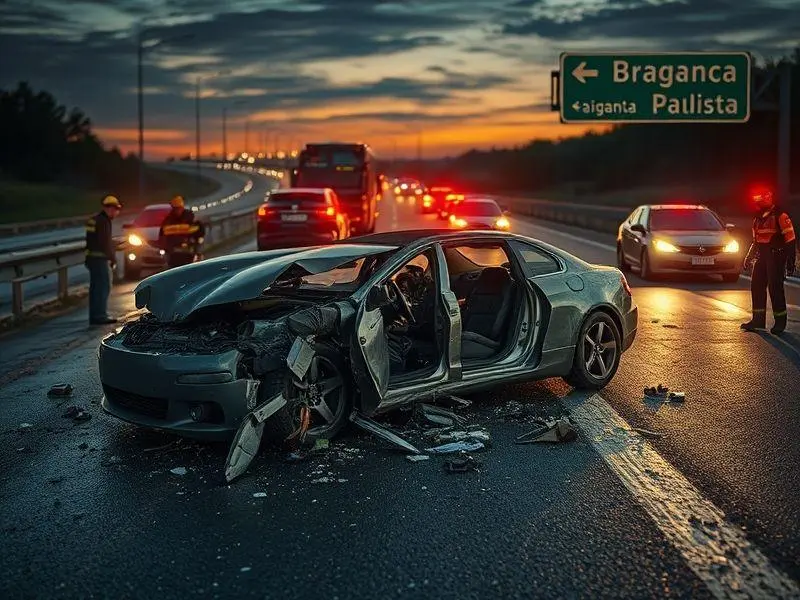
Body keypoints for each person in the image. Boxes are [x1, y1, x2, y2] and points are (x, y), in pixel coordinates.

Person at [741, 190, 796, 334]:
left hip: (776, 256)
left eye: (761, 200)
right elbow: (756, 242)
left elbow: (790, 240)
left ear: (768, 199)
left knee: (775, 288)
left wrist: (791, 261)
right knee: (756, 286)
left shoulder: (780, 216)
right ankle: (758, 321)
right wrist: (748, 257)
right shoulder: (757, 219)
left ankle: (780, 323)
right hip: (763, 257)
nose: (758, 203)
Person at [85, 195, 122, 325]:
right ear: (111, 208)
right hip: (100, 259)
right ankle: (100, 316)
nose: (116, 212)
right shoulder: (104, 221)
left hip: (92, 259)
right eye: (116, 209)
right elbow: (104, 242)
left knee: (95, 288)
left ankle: (95, 316)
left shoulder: (96, 219)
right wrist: (113, 258)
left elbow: (97, 240)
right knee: (102, 287)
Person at [158, 195, 205, 269]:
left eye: (178, 208)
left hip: (189, 249)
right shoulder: (168, 219)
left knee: (195, 267)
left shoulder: (190, 217)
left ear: (182, 207)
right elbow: (162, 234)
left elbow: (200, 230)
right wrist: (164, 247)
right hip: (173, 253)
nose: (177, 211)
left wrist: (198, 241)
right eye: (175, 209)